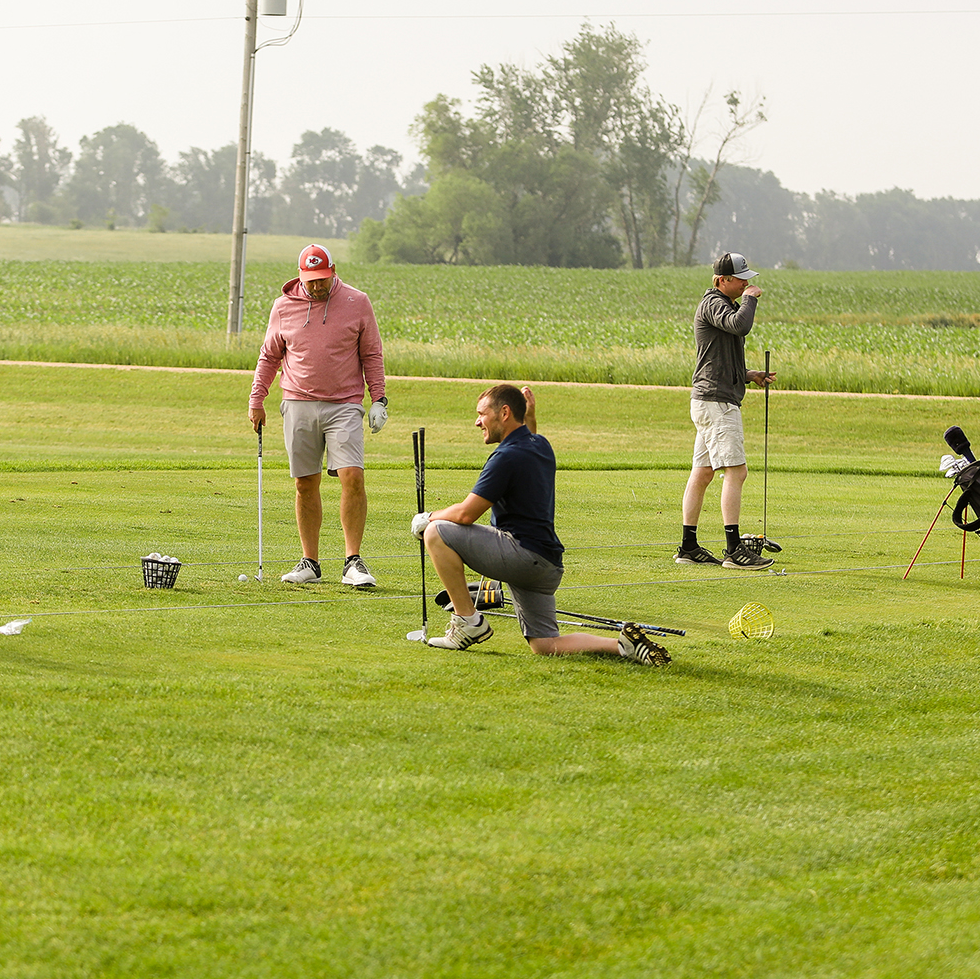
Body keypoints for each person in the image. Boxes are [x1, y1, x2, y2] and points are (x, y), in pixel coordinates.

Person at [416, 384, 668, 664]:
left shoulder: (505, 457)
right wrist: (530, 417)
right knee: (545, 645)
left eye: (481, 414)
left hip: (521, 556)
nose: (477, 422)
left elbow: (466, 514)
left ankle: (468, 622)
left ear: (504, 413)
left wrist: (427, 517)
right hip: (547, 565)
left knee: (436, 532)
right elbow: (530, 436)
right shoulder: (540, 445)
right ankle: (624, 646)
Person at [248, 243, 388, 587]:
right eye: (311, 280)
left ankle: (353, 562)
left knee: (352, 476)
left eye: (322, 278)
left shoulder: (357, 302)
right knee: (304, 483)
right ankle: (310, 562)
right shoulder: (283, 307)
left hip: (345, 404)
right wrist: (257, 399)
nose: (317, 285)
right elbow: (269, 356)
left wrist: (379, 398)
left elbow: (372, 353)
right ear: (300, 276)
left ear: (333, 271)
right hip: (297, 402)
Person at [677, 250, 776, 570]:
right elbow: (740, 326)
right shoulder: (714, 304)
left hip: (711, 399)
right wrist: (750, 300)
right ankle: (734, 550)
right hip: (717, 403)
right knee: (737, 471)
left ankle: (688, 547)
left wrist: (749, 375)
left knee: (703, 472)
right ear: (723, 280)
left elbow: (719, 360)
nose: (746, 283)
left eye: (747, 280)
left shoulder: (722, 305)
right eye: (740, 279)